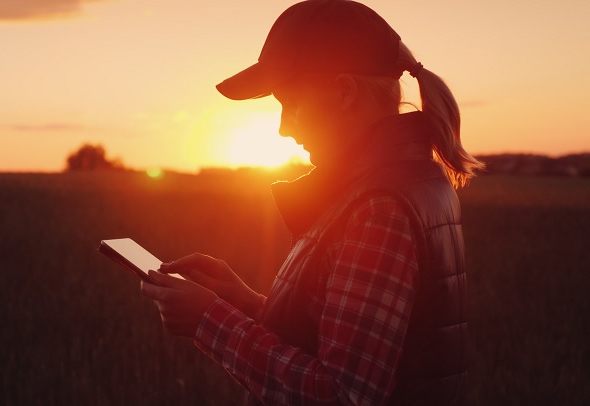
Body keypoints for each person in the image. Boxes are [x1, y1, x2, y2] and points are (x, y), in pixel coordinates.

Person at [140, 0, 483, 404]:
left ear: (343, 92)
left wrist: (209, 320)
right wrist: (245, 303)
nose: (284, 127)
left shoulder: (379, 208)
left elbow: (341, 395)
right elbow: (344, 339)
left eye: (290, 101)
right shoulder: (396, 185)